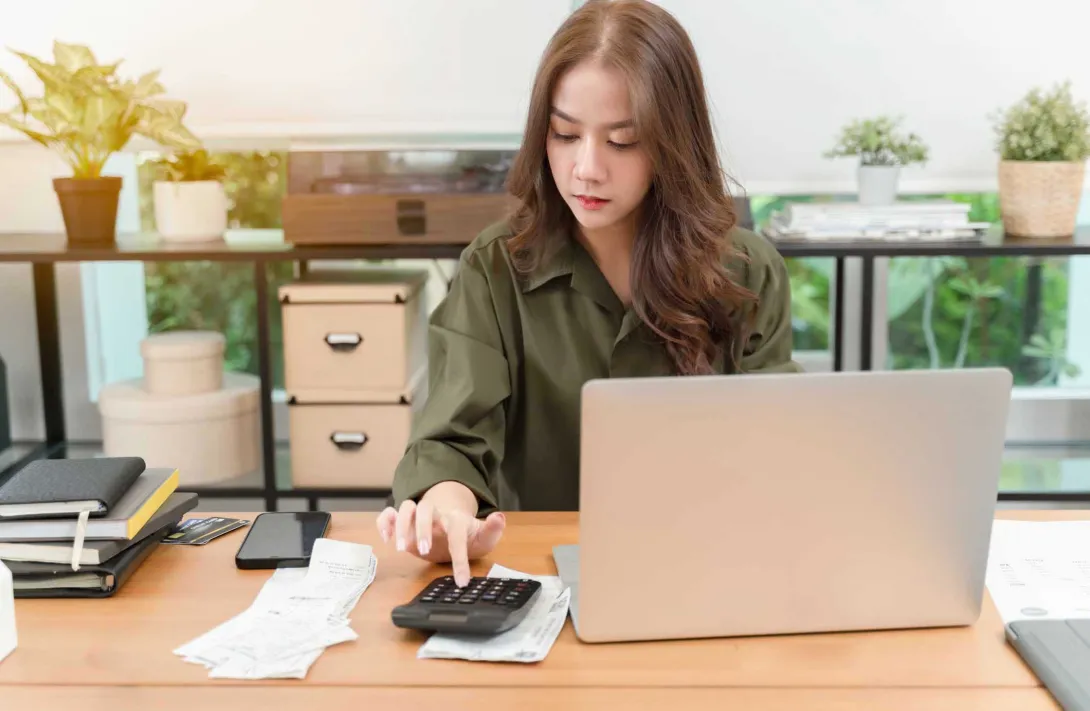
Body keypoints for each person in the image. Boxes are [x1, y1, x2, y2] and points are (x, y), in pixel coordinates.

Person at [377, 0, 801, 586]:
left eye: (623, 141)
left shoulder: (747, 272)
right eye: (565, 134)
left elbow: (780, 447)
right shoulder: (496, 268)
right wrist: (447, 508)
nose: (586, 168)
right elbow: (452, 439)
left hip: (708, 573)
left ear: (675, 143)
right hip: (540, 577)